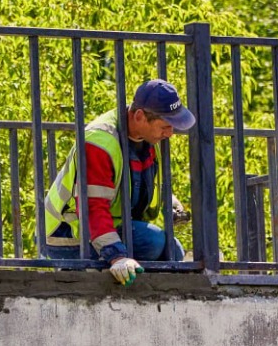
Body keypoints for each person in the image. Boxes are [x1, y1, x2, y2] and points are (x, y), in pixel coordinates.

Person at [41, 79, 194, 285]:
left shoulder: (149, 137)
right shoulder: (100, 141)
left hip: (108, 225)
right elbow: (92, 207)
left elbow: (132, 181)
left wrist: (170, 200)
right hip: (65, 234)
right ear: (139, 116)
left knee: (172, 251)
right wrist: (117, 257)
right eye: (165, 126)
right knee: (155, 243)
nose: (170, 133)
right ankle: (78, 266)